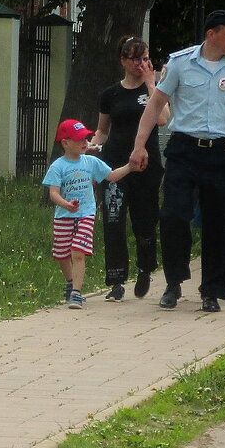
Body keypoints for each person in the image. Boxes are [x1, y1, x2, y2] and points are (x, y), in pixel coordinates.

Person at [129, 10, 225, 313]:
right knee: (174, 215)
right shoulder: (180, 62)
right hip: (184, 150)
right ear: (211, 35)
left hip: (220, 152)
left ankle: (212, 291)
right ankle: (174, 283)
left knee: (221, 222)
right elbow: (156, 105)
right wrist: (140, 145)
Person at [87, 36, 169, 302]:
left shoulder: (154, 90)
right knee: (113, 219)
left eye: (145, 58)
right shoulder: (110, 94)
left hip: (147, 164)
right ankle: (116, 280)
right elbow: (103, 129)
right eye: (135, 58)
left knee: (145, 220)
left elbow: (164, 119)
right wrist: (92, 145)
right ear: (123, 60)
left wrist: (150, 83)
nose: (141, 64)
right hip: (115, 164)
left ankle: (145, 268)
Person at [43, 119, 138, 309]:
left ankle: (77, 293)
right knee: (62, 254)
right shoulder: (58, 167)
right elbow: (53, 193)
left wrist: (130, 167)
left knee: (78, 252)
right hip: (63, 216)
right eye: (79, 140)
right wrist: (66, 204)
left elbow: (111, 176)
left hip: (86, 214)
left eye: (86, 138)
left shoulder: (91, 162)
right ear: (65, 143)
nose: (85, 142)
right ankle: (70, 283)